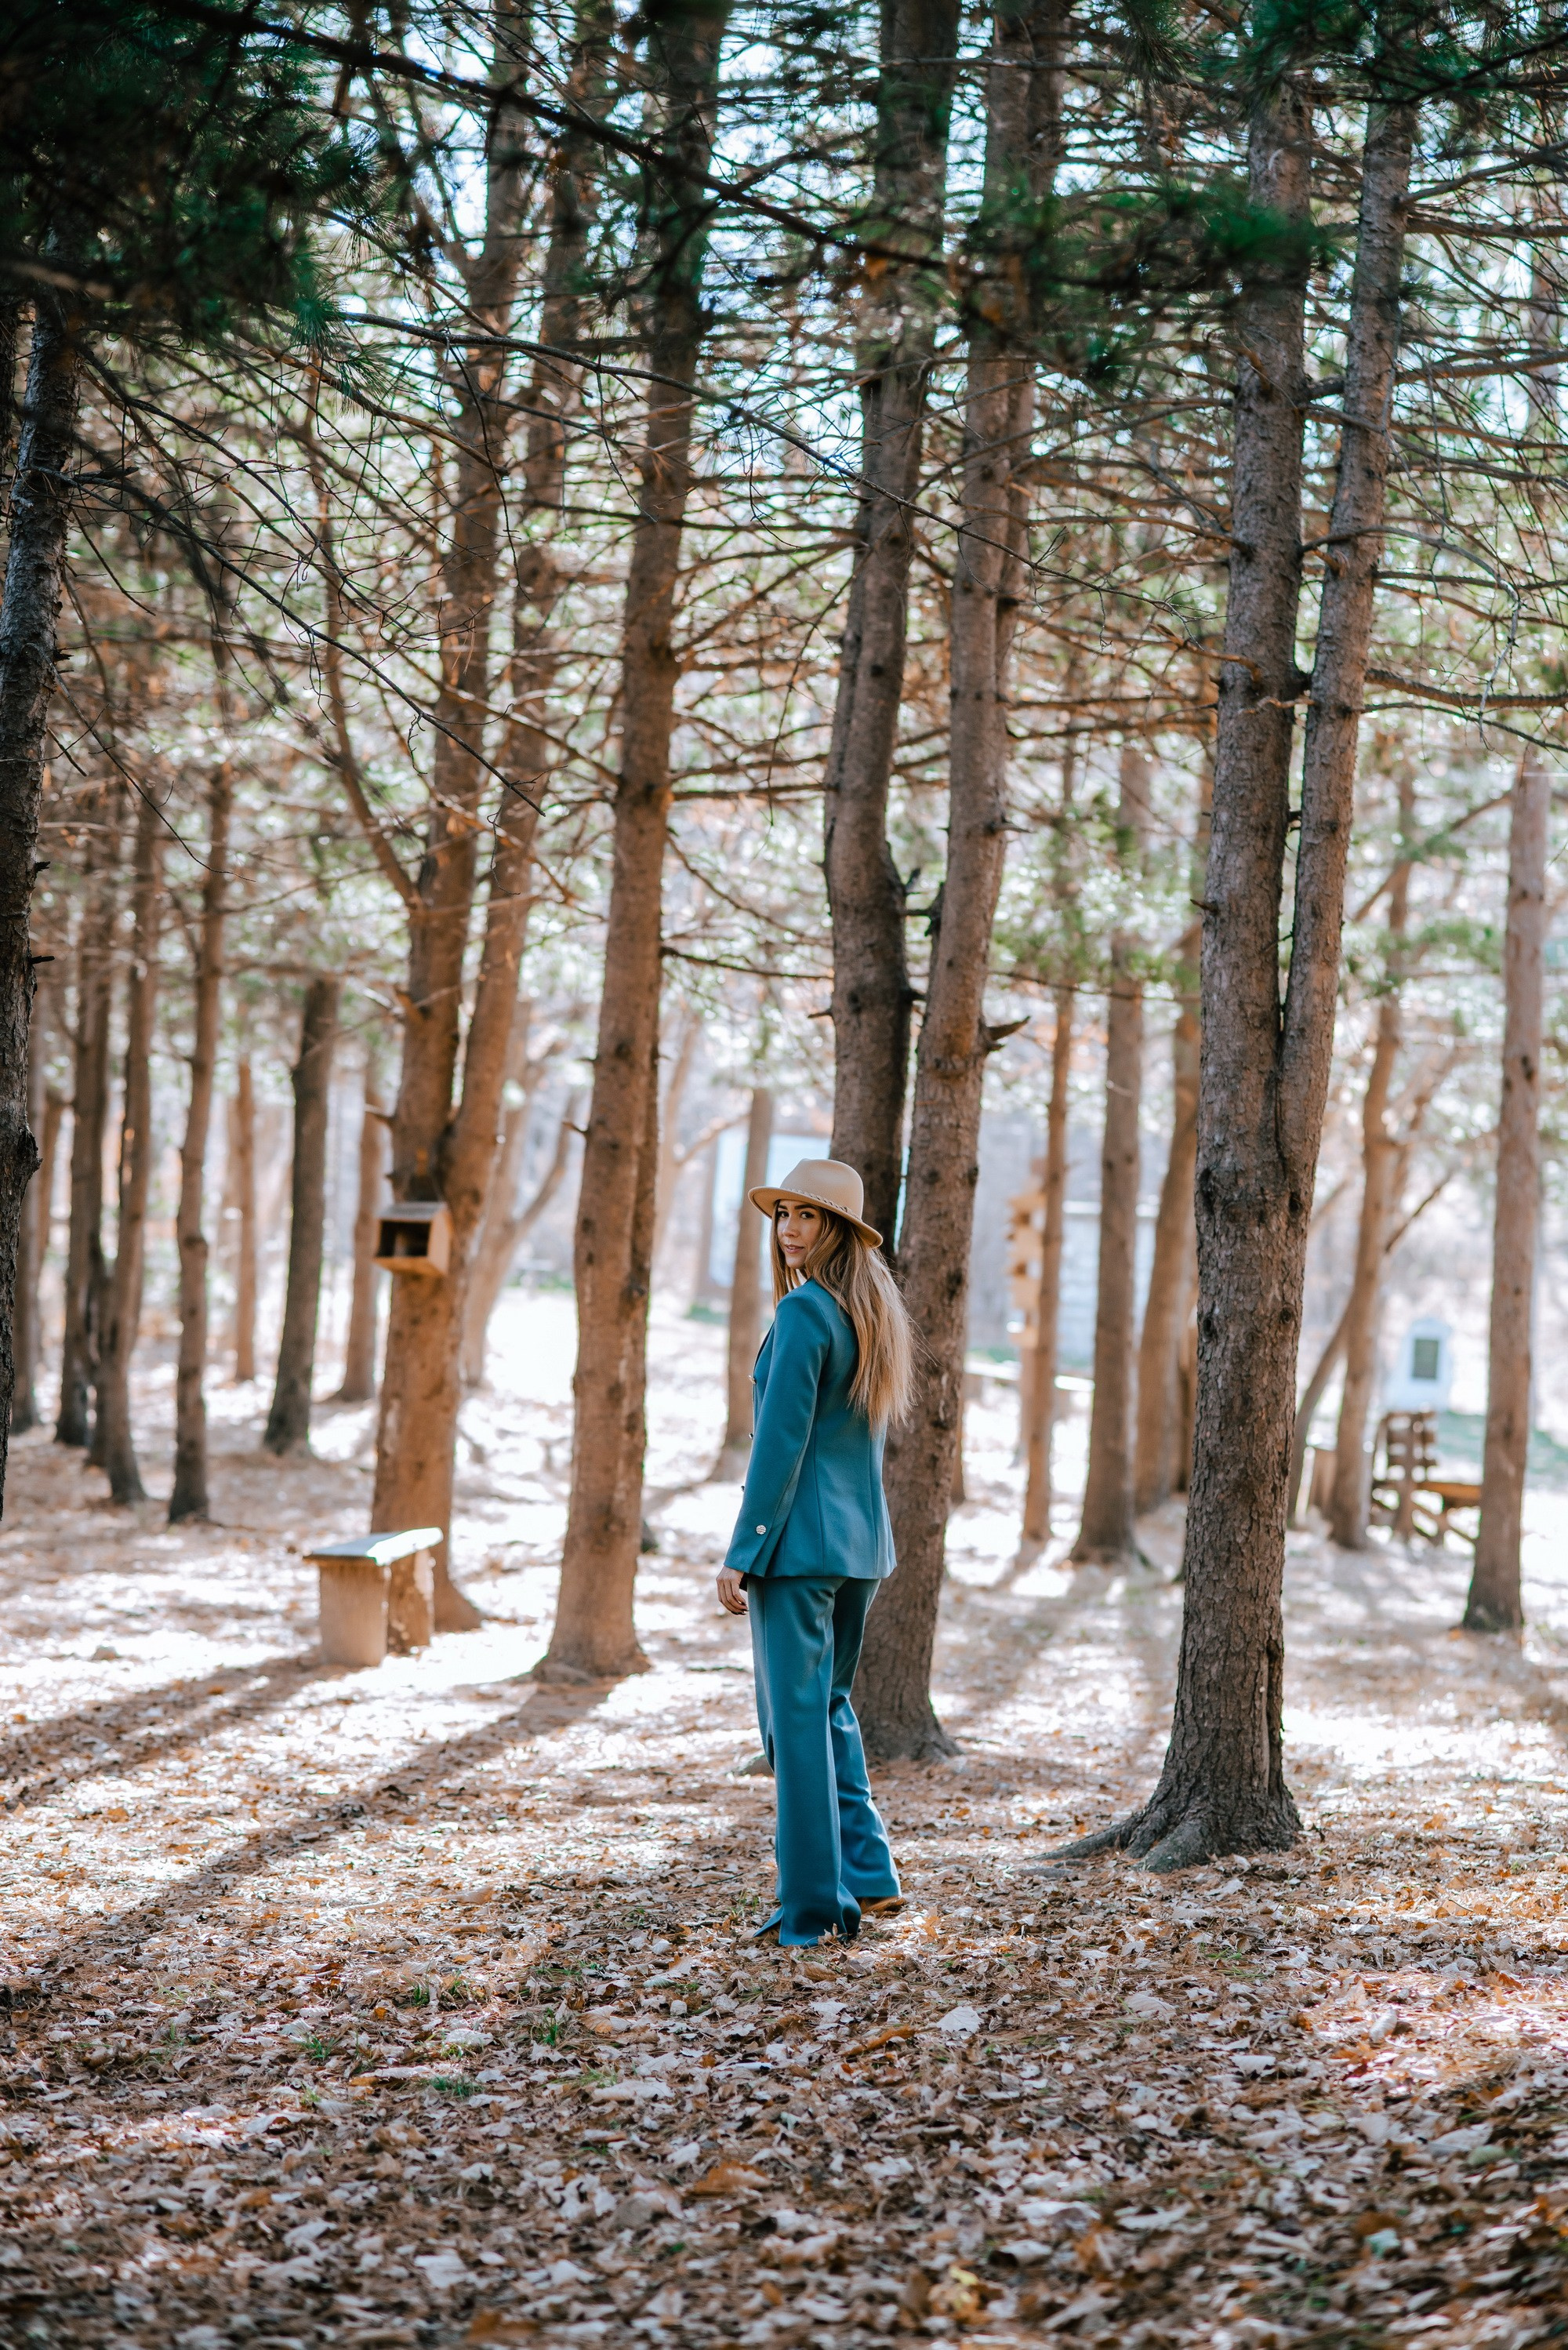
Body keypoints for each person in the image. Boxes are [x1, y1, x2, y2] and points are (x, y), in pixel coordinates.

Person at [716, 1157, 915, 1947]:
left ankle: (808, 1910)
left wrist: (743, 1550)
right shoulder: (865, 1313)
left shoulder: (805, 1314)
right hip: (859, 1549)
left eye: (806, 1216)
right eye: (781, 1215)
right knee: (826, 1711)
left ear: (836, 1230)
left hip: (797, 1553)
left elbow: (780, 1446)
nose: (789, 1230)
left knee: (791, 1731)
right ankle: (866, 1877)